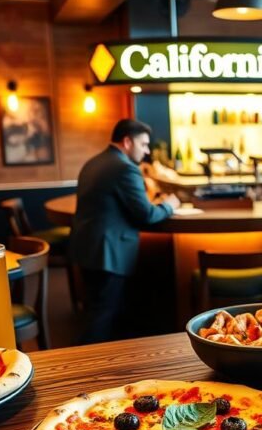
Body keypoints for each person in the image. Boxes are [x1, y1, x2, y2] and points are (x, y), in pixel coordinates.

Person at [69, 119, 181, 344]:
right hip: (108, 252)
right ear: (127, 142)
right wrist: (170, 205)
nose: (147, 151)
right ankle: (85, 369)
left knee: (100, 312)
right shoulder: (125, 168)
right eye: (144, 144)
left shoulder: (93, 162)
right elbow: (146, 215)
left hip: (88, 248)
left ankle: (97, 363)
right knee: (102, 318)